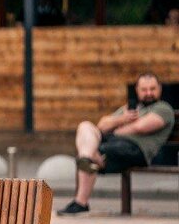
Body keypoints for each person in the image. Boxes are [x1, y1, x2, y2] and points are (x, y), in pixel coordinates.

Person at [59, 72, 175, 215]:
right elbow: (101, 126)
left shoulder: (163, 108)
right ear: (137, 91)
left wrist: (116, 130)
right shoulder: (130, 109)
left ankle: (81, 200)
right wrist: (122, 119)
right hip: (113, 146)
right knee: (85, 126)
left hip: (136, 150)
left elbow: (140, 127)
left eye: (152, 89)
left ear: (160, 89)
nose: (148, 93)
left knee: (94, 150)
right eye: (144, 90)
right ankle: (87, 158)